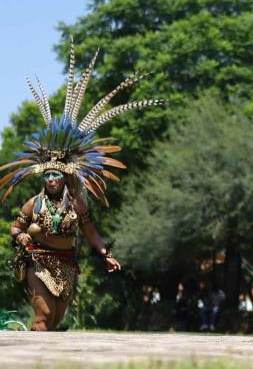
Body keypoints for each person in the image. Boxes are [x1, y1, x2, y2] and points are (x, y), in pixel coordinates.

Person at [4, 40, 162, 330]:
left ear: (65, 178)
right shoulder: (34, 203)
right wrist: (22, 237)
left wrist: (107, 255)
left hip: (67, 264)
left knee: (57, 319)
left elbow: (92, 234)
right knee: (43, 317)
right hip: (37, 263)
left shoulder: (77, 204)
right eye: (47, 175)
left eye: (56, 175)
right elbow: (16, 226)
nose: (51, 179)